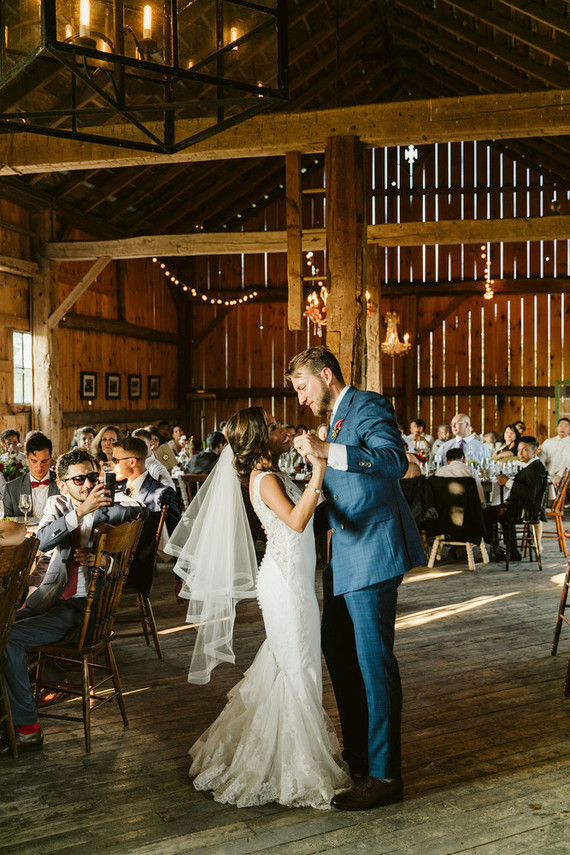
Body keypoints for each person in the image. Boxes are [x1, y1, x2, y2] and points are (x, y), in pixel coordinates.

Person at [165, 407, 351, 808]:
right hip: (285, 586)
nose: (283, 428)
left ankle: (294, 755)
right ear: (258, 439)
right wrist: (320, 466)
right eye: (273, 426)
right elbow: (299, 521)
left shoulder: (273, 475)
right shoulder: (264, 479)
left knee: (293, 664)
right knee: (298, 666)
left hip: (293, 581)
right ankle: (300, 768)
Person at [288, 346, 425, 811]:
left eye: (303, 387)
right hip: (343, 553)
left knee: (373, 663)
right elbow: (344, 482)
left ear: (326, 376)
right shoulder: (335, 418)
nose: (302, 399)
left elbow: (391, 461)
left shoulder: (367, 405)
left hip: (372, 549)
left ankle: (386, 776)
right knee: (337, 651)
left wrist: (326, 450)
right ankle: (361, 756)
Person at [0, 449, 144, 753]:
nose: (88, 484)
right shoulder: (57, 503)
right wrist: (78, 513)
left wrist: (102, 560)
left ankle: (28, 730)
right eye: (79, 479)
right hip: (53, 602)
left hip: (86, 614)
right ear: (63, 484)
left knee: (8, 639)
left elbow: (137, 510)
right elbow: (43, 539)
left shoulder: (110, 506)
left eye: (92, 477)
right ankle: (10, 716)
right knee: (3, 627)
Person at [483, 437, 548, 561]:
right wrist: (507, 504)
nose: (520, 453)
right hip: (519, 507)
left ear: (535, 451)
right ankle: (511, 550)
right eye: (518, 450)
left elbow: (529, 493)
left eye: (525, 450)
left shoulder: (536, 467)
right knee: (496, 511)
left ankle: (496, 548)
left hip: (526, 511)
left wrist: (507, 481)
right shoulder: (530, 466)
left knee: (485, 513)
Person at [111, 437, 180, 537]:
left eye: (115, 460)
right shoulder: (116, 489)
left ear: (132, 462)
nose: (112, 465)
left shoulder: (161, 494)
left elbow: (175, 535)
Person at [2, 433, 59, 519]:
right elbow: (6, 523)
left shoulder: (63, 484)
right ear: (26, 457)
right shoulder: (11, 488)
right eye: (34, 461)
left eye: (44, 461)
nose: (39, 467)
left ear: (51, 456)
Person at [539, 417, 570, 488]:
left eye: (566, 426)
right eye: (561, 425)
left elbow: (568, 463)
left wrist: (560, 475)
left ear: (569, 430)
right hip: (547, 477)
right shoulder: (548, 442)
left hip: (564, 478)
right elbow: (541, 459)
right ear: (557, 428)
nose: (563, 428)